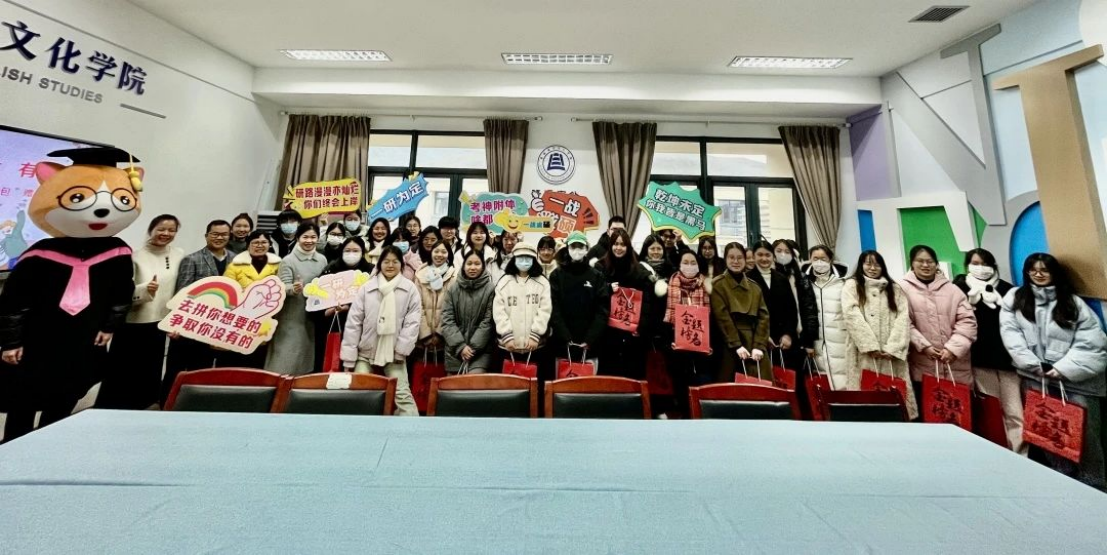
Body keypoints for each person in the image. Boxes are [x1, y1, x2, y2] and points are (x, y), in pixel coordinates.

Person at [0, 147, 138, 443]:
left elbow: (121, 292)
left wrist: (109, 326)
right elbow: (14, 301)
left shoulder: (118, 252)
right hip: (38, 339)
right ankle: (14, 447)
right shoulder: (39, 253)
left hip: (83, 338)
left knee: (65, 397)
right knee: (24, 399)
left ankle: (50, 444)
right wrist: (10, 342)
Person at [1001, 253, 1106, 489]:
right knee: (1048, 435)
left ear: (1054, 273)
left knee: (1085, 437)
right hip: (1035, 378)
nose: (1038, 274)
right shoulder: (1016, 299)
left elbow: (1093, 343)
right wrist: (1033, 364)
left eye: (1044, 270)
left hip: (1077, 382)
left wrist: (1062, 368)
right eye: (1033, 270)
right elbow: (1012, 336)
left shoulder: (1072, 303)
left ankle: (1095, 487)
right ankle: (1062, 483)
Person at [97, 214, 183, 411]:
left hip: (160, 320)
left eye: (171, 230)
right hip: (133, 321)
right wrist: (144, 290)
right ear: (151, 230)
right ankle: (113, 407)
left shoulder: (180, 255)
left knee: (151, 367)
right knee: (124, 368)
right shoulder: (135, 256)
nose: (166, 233)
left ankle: (143, 404)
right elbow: (121, 292)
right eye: (161, 229)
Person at [954, 248, 1023, 454]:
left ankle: (1020, 455)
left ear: (993, 266)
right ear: (967, 265)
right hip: (979, 360)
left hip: (1008, 361)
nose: (981, 268)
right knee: (992, 411)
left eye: (985, 263)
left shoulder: (1008, 290)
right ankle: (999, 453)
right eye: (975, 263)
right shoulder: (959, 289)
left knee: (1015, 412)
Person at [342, 245, 422, 416]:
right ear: (379, 264)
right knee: (359, 394)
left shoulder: (410, 289)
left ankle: (410, 429)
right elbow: (354, 324)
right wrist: (349, 358)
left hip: (393, 354)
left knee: (403, 396)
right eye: (386, 261)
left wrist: (401, 351)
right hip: (365, 353)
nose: (390, 265)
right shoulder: (367, 288)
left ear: (402, 264)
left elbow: (412, 323)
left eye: (395, 262)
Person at [164, 220, 236, 400]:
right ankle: (167, 403)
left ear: (229, 236)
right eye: (215, 234)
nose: (219, 237)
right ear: (206, 236)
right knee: (177, 369)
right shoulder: (192, 259)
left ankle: (192, 403)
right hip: (189, 324)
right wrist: (177, 323)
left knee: (202, 369)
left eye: (224, 234)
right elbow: (182, 293)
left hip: (215, 326)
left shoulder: (236, 260)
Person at [842, 250, 917, 419]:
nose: (872, 268)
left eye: (877, 264)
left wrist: (893, 347)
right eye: (868, 263)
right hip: (863, 353)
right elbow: (851, 315)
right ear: (861, 265)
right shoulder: (852, 286)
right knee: (865, 400)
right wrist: (869, 345)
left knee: (895, 399)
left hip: (891, 356)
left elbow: (903, 317)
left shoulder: (894, 288)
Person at [901, 245, 978, 408]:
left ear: (936, 264)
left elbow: (967, 321)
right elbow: (902, 322)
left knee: (960, 413)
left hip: (956, 366)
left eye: (930, 261)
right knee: (930, 411)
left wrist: (953, 349)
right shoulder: (901, 289)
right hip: (922, 366)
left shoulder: (953, 290)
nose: (925, 265)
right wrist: (924, 346)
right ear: (912, 263)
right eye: (920, 261)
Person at [265, 223, 326, 376]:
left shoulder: (322, 260)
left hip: (312, 317)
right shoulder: (288, 260)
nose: (309, 241)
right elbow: (281, 287)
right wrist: (293, 288)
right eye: (305, 237)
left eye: (313, 237)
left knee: (305, 360)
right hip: (291, 316)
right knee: (285, 358)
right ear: (298, 238)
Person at [594, 229, 655, 379]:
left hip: (632, 334)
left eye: (622, 244)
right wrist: (607, 289)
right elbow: (594, 296)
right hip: (607, 333)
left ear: (628, 247)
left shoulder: (639, 271)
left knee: (632, 375)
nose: (619, 248)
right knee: (609, 376)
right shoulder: (600, 267)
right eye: (615, 244)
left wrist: (641, 326)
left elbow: (647, 303)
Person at [710, 243, 770, 383]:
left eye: (739, 258)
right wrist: (736, 345)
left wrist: (759, 345)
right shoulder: (718, 284)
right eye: (731, 257)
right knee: (729, 385)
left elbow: (764, 317)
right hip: (728, 343)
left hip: (753, 342)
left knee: (761, 387)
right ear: (725, 259)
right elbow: (722, 317)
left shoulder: (754, 287)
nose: (736, 261)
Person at [313, 237, 374, 372]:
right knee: (332, 364)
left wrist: (350, 308)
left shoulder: (371, 271)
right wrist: (327, 311)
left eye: (355, 250)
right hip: (333, 326)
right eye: (347, 250)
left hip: (362, 328)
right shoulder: (330, 269)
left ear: (362, 252)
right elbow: (317, 298)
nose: (351, 254)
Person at [549, 232, 611, 367]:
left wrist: (590, 338)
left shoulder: (597, 276)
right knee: (562, 379)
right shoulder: (556, 275)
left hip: (590, 345)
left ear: (586, 249)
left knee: (588, 379)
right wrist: (565, 337)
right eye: (573, 247)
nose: (577, 250)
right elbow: (554, 309)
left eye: (580, 247)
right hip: (563, 343)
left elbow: (602, 310)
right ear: (567, 249)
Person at [494, 242, 553, 381]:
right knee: (510, 387)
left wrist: (535, 335)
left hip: (535, 347)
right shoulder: (504, 281)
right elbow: (498, 311)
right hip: (508, 347)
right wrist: (506, 335)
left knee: (535, 387)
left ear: (534, 260)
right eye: (520, 258)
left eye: (528, 258)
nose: (524, 261)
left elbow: (545, 310)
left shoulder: (542, 282)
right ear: (514, 259)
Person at [223, 230, 281, 369]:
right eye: (255, 242)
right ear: (248, 244)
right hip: (239, 319)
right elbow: (227, 291)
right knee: (236, 360)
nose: (260, 245)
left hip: (265, 319)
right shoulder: (235, 265)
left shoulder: (277, 265)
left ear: (270, 244)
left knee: (257, 360)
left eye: (264, 242)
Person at [665, 251, 714, 412]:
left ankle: (701, 412)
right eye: (685, 262)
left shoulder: (707, 286)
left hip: (702, 344)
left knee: (702, 380)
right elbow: (663, 317)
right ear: (679, 265)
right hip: (676, 343)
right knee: (680, 381)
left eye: (693, 263)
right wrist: (670, 340)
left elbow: (713, 317)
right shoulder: (670, 284)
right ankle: (684, 412)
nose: (689, 266)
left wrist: (708, 342)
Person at [746, 241, 801, 370]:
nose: (764, 258)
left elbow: (791, 310)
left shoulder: (782, 278)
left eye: (767, 255)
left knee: (786, 377)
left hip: (783, 340)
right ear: (753, 256)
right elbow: (747, 313)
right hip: (758, 340)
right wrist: (763, 337)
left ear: (773, 257)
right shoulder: (747, 279)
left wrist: (788, 334)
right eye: (760, 255)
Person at [442, 250, 497, 374]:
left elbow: (487, 322)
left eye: (477, 264)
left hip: (480, 352)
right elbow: (447, 320)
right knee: (451, 386)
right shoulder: (453, 289)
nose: (473, 267)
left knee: (474, 383)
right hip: (454, 350)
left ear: (483, 266)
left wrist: (472, 348)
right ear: (463, 265)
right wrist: (460, 346)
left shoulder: (490, 289)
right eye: (469, 263)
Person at [806, 245, 849, 389]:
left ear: (830, 260)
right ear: (810, 260)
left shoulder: (843, 283)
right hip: (816, 344)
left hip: (840, 341)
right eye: (815, 258)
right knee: (822, 385)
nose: (819, 262)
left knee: (844, 383)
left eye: (823, 259)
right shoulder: (805, 283)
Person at [415, 240, 457, 364]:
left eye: (443, 252)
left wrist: (439, 334)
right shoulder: (420, 275)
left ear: (449, 254)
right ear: (431, 253)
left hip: (445, 338)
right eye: (436, 251)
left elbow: (452, 308)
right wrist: (426, 335)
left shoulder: (454, 276)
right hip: (422, 338)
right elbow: (417, 306)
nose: (439, 255)